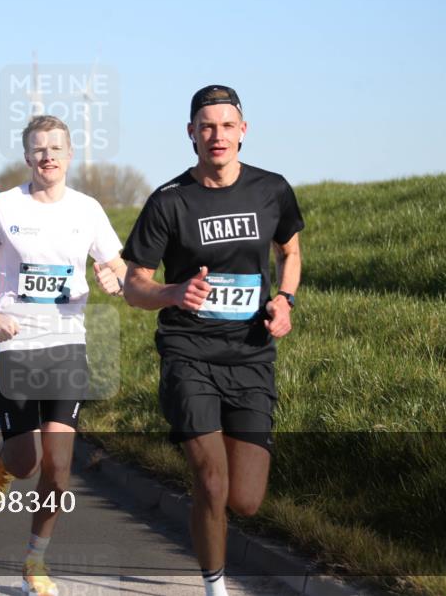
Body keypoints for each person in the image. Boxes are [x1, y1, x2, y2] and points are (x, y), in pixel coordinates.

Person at [120, 85, 303, 596]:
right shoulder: (169, 201)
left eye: (226, 125)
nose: (216, 135)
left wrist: (284, 301)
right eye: (206, 126)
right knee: (211, 482)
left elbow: (290, 252)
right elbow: (135, 285)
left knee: (244, 499)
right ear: (190, 133)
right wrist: (174, 291)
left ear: (243, 131)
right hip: (188, 354)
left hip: (250, 357)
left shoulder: (272, 190)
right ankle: (214, 587)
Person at [0, 114, 127, 596]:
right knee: (27, 461)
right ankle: (4, 464)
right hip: (15, 346)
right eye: (38, 148)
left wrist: (116, 276)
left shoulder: (88, 210)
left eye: (56, 148)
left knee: (58, 464)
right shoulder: (3, 207)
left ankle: (35, 560)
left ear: (69, 156)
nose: (47, 155)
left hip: (67, 346)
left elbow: (117, 264)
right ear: (27, 157)